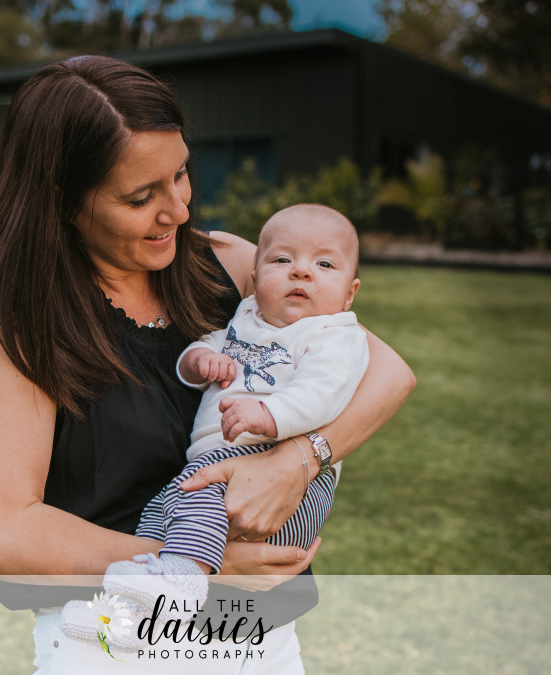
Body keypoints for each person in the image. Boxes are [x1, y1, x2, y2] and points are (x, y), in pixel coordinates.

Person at [0, 55, 415, 673]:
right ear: (63, 200)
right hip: (115, 647)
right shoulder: (33, 329)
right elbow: (2, 537)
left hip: (262, 639)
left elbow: (388, 372)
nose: (177, 209)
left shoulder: (230, 265)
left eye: (180, 175)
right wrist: (191, 563)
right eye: (141, 196)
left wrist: (299, 461)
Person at [60, 203, 371, 646]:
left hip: (281, 476)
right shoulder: (248, 317)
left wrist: (268, 416)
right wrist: (199, 361)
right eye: (283, 260)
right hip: (214, 467)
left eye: (324, 265)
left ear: (350, 292)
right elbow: (209, 343)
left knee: (195, 506)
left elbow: (325, 393)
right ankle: (131, 614)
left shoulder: (335, 334)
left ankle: (180, 586)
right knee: (159, 516)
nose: (301, 271)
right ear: (256, 275)